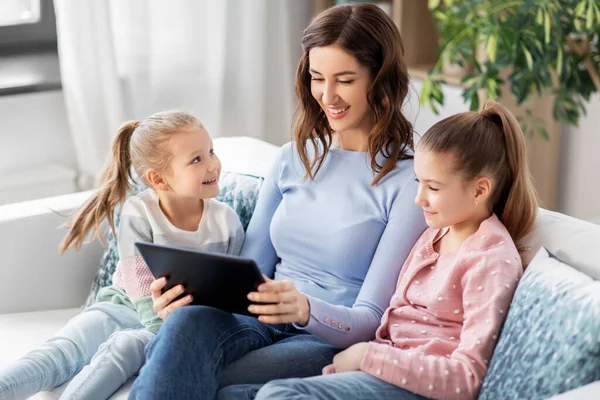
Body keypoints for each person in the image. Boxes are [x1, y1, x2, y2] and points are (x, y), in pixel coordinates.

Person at [129, 4, 427, 400]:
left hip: (323, 336)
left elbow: (370, 321)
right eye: (317, 78)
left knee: (196, 369)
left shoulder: (409, 179)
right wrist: (184, 300)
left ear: (380, 79)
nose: (327, 95)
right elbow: (246, 272)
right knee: (182, 329)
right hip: (256, 318)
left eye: (345, 80)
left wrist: (305, 308)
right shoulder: (292, 157)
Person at [252, 100, 539, 400]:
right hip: (383, 370)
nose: (419, 199)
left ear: (480, 190)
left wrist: (367, 356)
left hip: (417, 387)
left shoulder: (490, 259)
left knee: (278, 395)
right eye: (419, 183)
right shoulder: (434, 235)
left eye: (434, 188)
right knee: (236, 393)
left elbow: (466, 379)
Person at [0, 111, 244, 400]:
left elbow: (227, 290)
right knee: (56, 354)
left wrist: (173, 332)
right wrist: (159, 326)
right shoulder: (140, 211)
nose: (213, 165)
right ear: (158, 179)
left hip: (176, 324)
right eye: (197, 159)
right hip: (123, 306)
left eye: (211, 152)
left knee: (121, 352)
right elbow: (136, 275)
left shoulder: (226, 222)